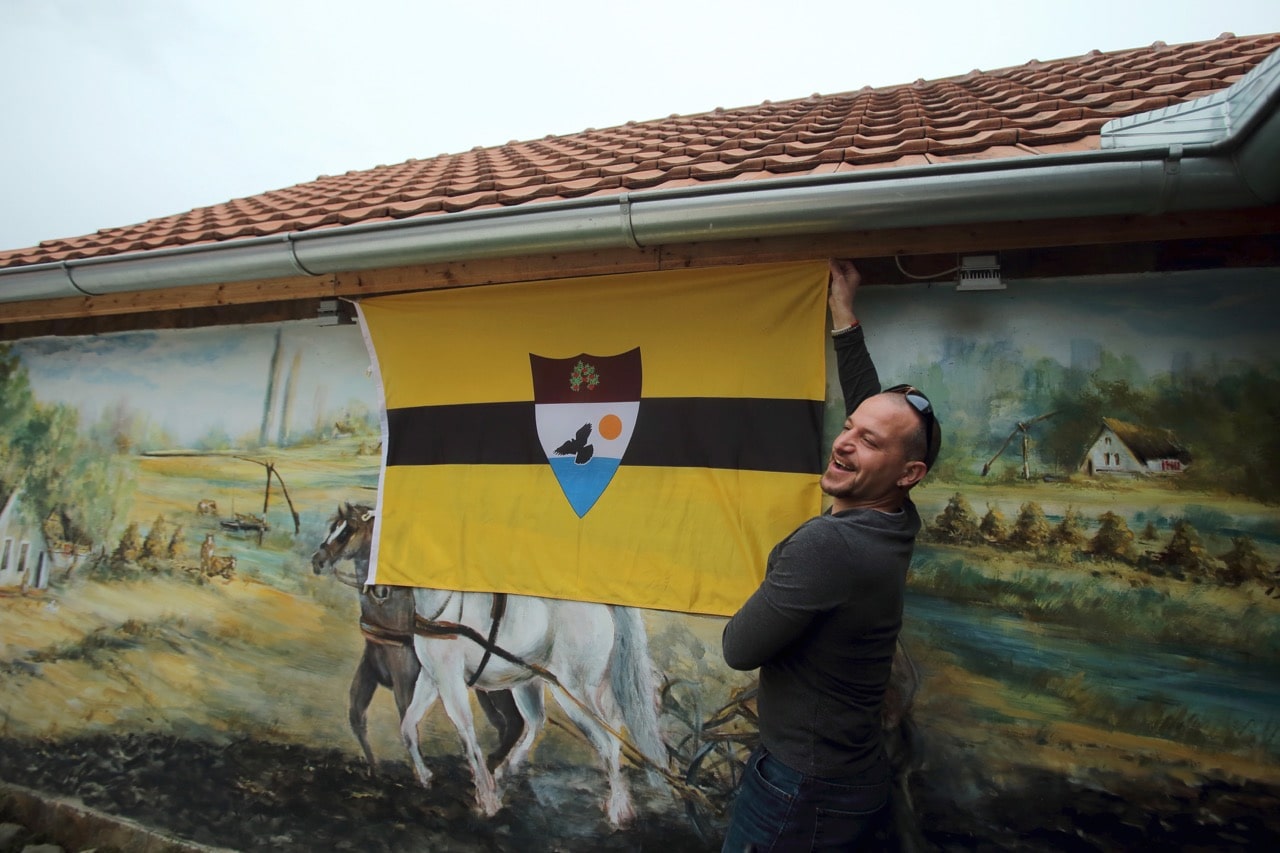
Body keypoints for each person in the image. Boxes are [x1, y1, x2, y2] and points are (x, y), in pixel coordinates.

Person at [720, 258, 941, 851]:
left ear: (908, 473)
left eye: (867, 441)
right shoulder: (895, 517)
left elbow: (738, 647)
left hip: (799, 792)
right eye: (848, 427)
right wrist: (845, 319)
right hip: (848, 772)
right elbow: (878, 420)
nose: (844, 442)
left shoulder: (827, 545)